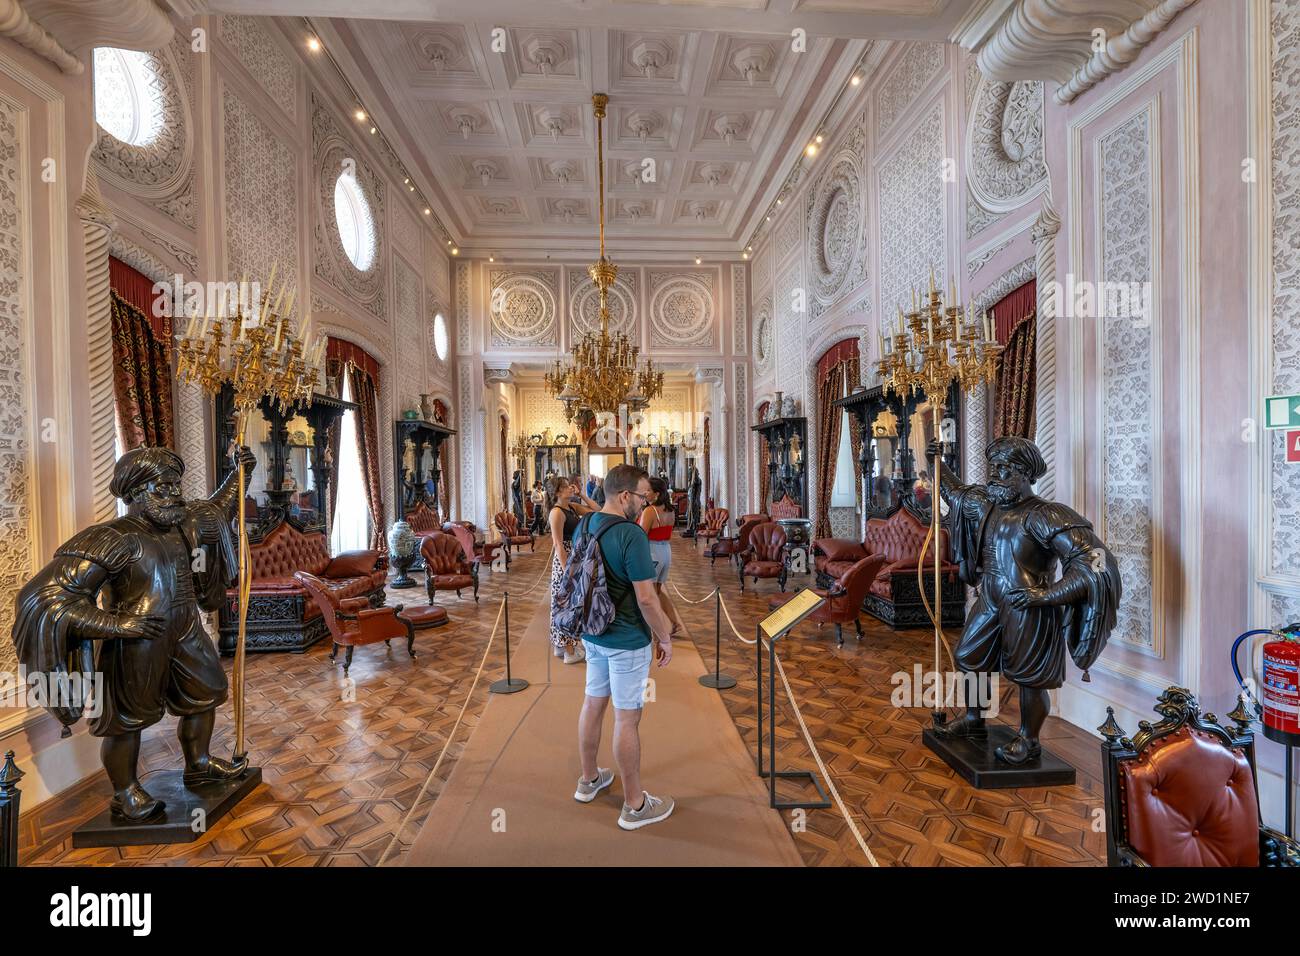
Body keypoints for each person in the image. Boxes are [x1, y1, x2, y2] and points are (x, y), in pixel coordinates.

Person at [927, 437, 1120, 764]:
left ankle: (1029, 739)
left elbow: (1095, 557)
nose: (996, 474)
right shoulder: (985, 504)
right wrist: (937, 461)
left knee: (1030, 678)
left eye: (1006, 469)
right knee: (969, 656)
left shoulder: (1046, 515)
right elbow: (954, 492)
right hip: (990, 596)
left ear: (1027, 474)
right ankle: (974, 721)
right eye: (994, 467)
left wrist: (1048, 594)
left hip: (1028, 604)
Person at [573, 464, 686, 831]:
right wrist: (665, 637)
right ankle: (635, 805)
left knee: (592, 703)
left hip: (593, 633)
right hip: (625, 640)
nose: (644, 502)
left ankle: (589, 780)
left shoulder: (586, 524)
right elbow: (648, 599)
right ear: (625, 496)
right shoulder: (631, 535)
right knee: (626, 718)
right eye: (642, 496)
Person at [547, 476, 598, 664]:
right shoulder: (556, 513)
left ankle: (560, 646)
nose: (571, 487)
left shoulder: (571, 507)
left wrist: (582, 494)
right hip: (565, 561)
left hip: (575, 556)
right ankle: (568, 650)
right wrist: (568, 572)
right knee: (566, 604)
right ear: (558, 491)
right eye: (567, 486)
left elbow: (597, 510)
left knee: (567, 602)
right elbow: (558, 545)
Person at [639, 476, 676, 588]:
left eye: (648, 490)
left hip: (652, 552)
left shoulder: (650, 511)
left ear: (657, 493)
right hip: (666, 551)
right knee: (658, 591)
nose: (645, 493)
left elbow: (640, 535)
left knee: (650, 591)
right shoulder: (671, 511)